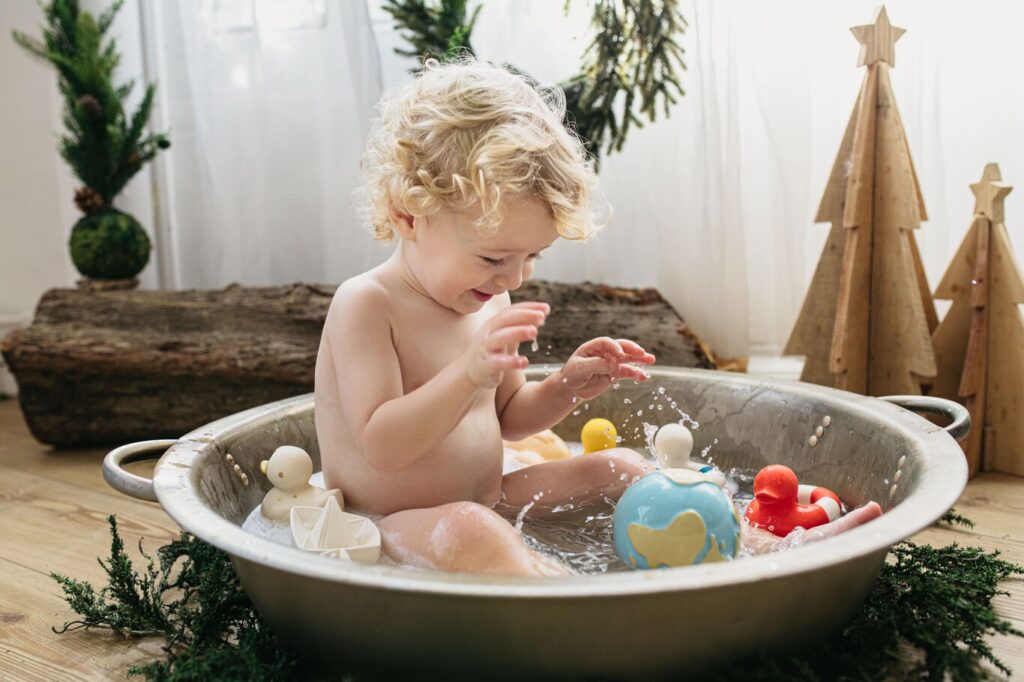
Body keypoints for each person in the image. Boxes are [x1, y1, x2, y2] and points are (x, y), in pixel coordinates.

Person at [315, 57, 879, 576]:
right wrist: (467, 374)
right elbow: (382, 447)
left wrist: (565, 386)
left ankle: (762, 548)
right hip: (393, 523)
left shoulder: (486, 298)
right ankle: (569, 599)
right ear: (407, 215)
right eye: (493, 257)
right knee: (472, 531)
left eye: (530, 257)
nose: (514, 278)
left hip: (490, 496)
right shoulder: (368, 305)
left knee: (623, 468)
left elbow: (509, 416)